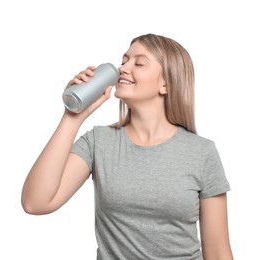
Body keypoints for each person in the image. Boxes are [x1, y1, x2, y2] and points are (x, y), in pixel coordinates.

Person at [21, 33, 234, 260]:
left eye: (139, 63)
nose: (123, 68)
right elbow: (36, 203)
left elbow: (218, 251)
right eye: (124, 60)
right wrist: (72, 116)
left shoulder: (201, 152)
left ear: (166, 84)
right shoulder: (99, 142)